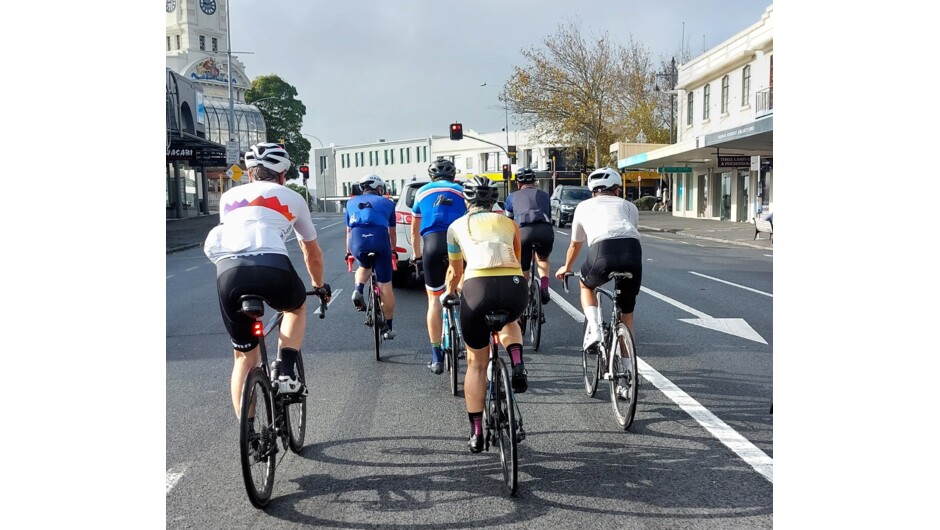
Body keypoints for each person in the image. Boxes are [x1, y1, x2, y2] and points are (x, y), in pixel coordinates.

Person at [204, 142, 330, 420]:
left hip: (229, 272)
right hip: (272, 266)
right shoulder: (292, 197)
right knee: (294, 308)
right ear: (283, 175)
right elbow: (311, 252)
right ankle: (286, 369)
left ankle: (249, 434)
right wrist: (319, 286)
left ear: (250, 173)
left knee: (243, 357)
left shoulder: (229, 197)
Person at [441, 176, 528, 453]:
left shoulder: (455, 227)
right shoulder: (510, 224)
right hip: (514, 287)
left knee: (476, 363)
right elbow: (516, 259)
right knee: (511, 320)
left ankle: (477, 433)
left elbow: (455, 271)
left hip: (476, 288)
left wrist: (449, 293)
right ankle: (516, 362)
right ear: (493, 202)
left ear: (466, 201)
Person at [554, 167, 642, 350]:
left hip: (603, 250)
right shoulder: (629, 206)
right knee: (627, 315)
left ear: (592, 191)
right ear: (617, 189)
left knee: (586, 285)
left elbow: (575, 244)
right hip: (632, 251)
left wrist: (566, 267)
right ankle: (628, 369)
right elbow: (631, 229)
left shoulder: (583, 207)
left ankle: (594, 328)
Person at [411, 158, 467, 374]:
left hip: (432, 245)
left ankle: (436, 358)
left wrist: (417, 257)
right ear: (453, 176)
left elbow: (415, 231)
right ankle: (464, 334)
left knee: (434, 300)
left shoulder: (422, 192)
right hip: (457, 242)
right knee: (463, 289)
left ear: (432, 176)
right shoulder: (461, 190)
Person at [345, 174, 397, 339]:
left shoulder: (350, 202)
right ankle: (388, 327)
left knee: (364, 265)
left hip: (357, 238)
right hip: (379, 238)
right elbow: (392, 232)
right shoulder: (388, 203)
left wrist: (348, 252)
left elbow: (348, 231)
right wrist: (393, 250)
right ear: (379, 189)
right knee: (385, 285)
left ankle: (358, 289)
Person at [504, 167, 554, 304]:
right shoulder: (544, 195)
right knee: (543, 260)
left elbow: (509, 220)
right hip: (545, 231)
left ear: (518, 184)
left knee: (524, 267)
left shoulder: (511, 197)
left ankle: (524, 296)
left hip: (524, 232)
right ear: (534, 181)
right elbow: (548, 216)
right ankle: (544, 287)